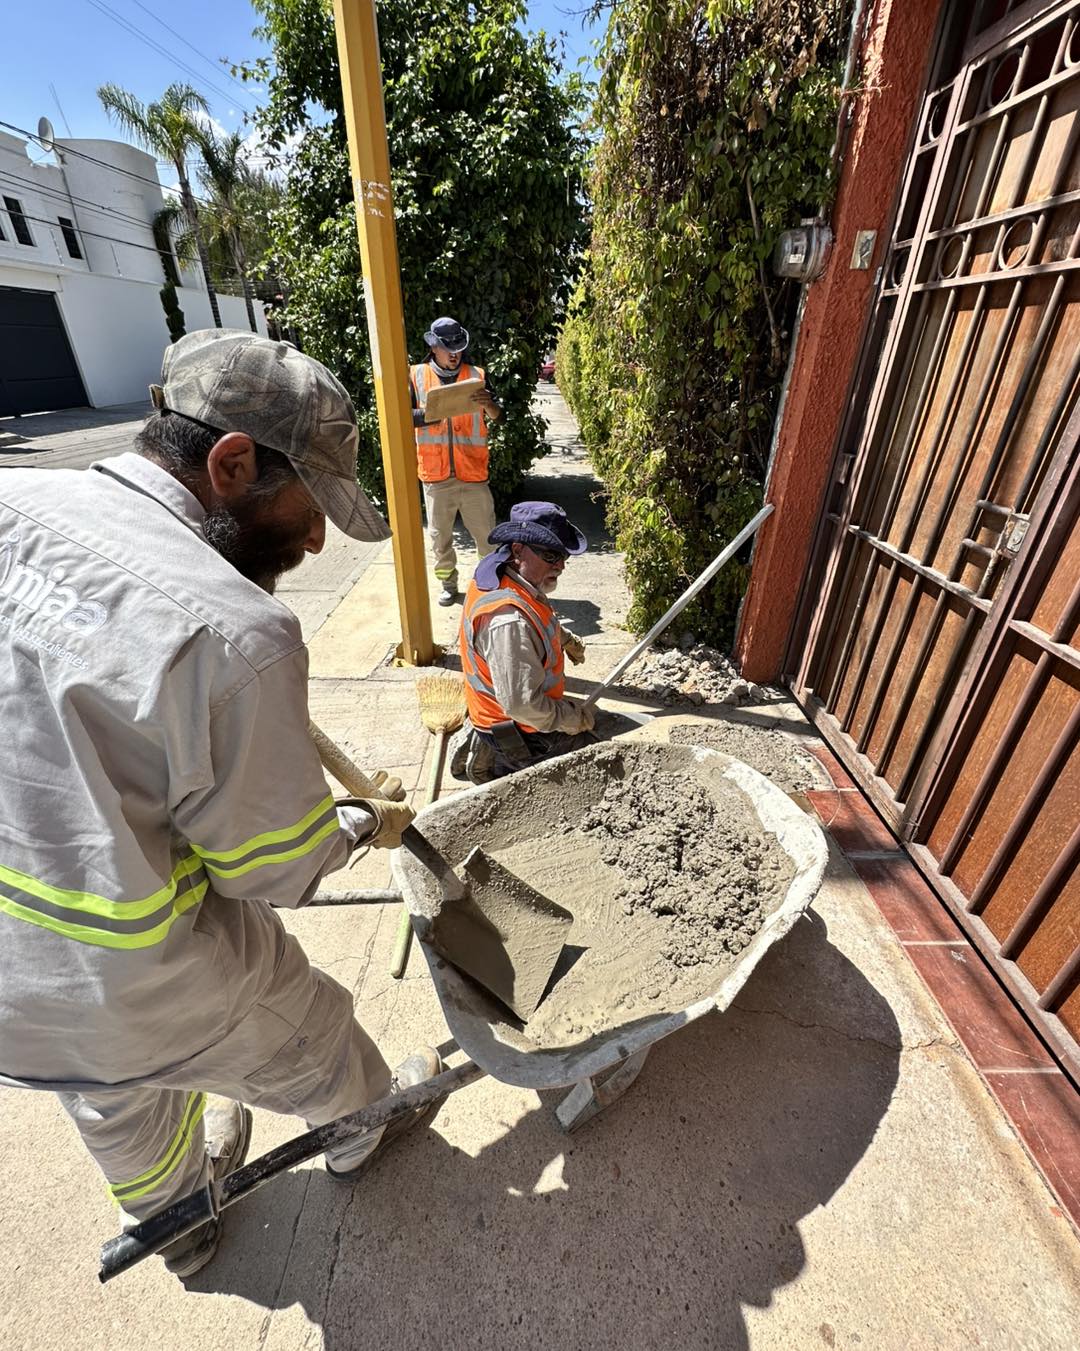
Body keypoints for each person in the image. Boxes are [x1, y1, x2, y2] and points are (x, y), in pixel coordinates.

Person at [0, 329, 443, 1279]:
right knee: (306, 1027)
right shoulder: (238, 633)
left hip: (12, 986)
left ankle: (180, 1224)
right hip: (139, 971)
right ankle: (361, 1129)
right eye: (311, 504)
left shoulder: (11, 504)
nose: (320, 536)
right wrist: (360, 825)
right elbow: (273, 870)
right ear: (231, 463)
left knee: (108, 1094)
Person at [457, 501, 595, 781]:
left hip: (502, 711)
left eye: (563, 556)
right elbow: (523, 707)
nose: (561, 566)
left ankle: (493, 750)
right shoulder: (508, 622)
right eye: (550, 555)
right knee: (595, 764)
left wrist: (565, 640)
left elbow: (536, 618)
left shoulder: (501, 571)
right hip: (514, 729)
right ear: (518, 549)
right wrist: (573, 719)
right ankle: (504, 761)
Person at [410, 316, 501, 606]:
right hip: (436, 475)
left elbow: (500, 416)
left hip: (473, 473)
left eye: (459, 349)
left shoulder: (477, 374)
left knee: (487, 536)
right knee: (440, 539)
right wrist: (433, 413)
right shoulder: (416, 376)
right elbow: (402, 416)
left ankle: (489, 582)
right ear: (433, 347)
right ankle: (449, 585)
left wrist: (489, 404)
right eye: (449, 349)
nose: (455, 355)